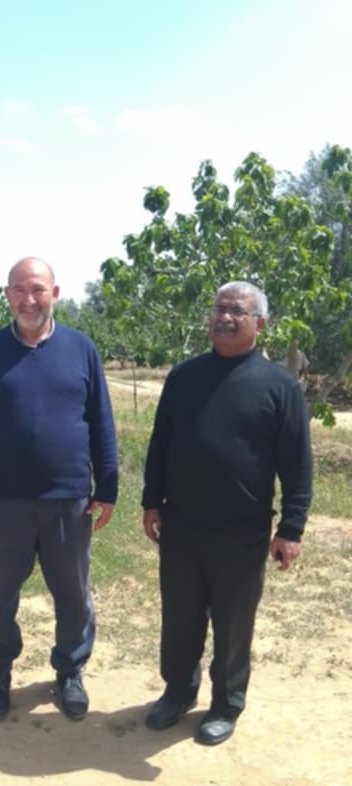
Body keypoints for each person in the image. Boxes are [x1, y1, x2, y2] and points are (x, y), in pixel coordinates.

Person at [142, 281, 312, 746]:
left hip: (243, 533)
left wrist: (291, 527)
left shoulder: (279, 387)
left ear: (260, 323)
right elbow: (161, 444)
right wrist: (151, 501)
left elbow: (297, 464)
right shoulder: (184, 376)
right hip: (181, 526)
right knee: (179, 617)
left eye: (237, 311)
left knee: (234, 624)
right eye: (219, 308)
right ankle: (178, 691)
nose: (225, 317)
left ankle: (226, 703)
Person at [0, 256, 118, 723]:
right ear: (7, 295)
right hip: (2, 503)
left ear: (56, 294)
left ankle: (70, 671)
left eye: (38, 290)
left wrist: (106, 485)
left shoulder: (81, 348)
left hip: (69, 500)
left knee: (72, 593)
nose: (29, 299)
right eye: (20, 290)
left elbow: (101, 422)